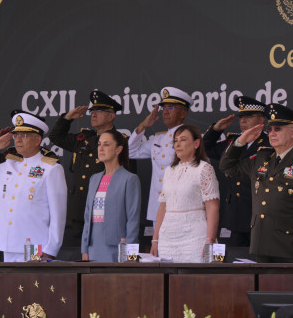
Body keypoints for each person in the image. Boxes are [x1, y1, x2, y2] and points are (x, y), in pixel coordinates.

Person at [220, 104, 293, 263]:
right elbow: (227, 167)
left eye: (278, 129)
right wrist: (240, 142)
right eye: (269, 130)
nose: (272, 133)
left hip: (290, 247)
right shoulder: (261, 157)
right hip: (261, 243)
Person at [0, 111, 67, 262]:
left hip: (35, 245)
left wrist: (51, 249)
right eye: (16, 135)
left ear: (37, 140)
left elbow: (58, 215)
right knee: (10, 278)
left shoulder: (51, 169)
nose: (18, 140)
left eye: (24, 135)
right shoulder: (9, 165)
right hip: (8, 243)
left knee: (31, 278)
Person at [49, 90, 122, 246]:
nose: (93, 114)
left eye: (99, 111)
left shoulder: (120, 142)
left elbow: (125, 178)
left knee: (102, 254)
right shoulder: (84, 139)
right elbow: (55, 137)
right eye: (92, 111)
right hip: (80, 210)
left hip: (104, 211)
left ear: (111, 116)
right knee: (80, 255)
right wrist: (67, 118)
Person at [203, 95, 269, 246]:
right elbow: (205, 149)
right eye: (241, 117)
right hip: (235, 215)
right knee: (235, 257)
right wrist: (215, 130)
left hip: (259, 214)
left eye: (249, 117)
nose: (243, 121)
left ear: (261, 120)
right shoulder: (232, 142)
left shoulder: (269, 143)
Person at [150, 125, 219, 262]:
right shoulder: (169, 170)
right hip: (167, 238)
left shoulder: (204, 169)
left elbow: (213, 206)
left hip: (195, 237)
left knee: (194, 275)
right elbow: (163, 206)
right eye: (175, 141)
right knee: (167, 275)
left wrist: (210, 240)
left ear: (196, 143)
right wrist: (155, 239)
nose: (177, 144)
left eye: (183, 139)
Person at [129, 87, 191, 223]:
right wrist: (143, 125)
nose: (165, 112)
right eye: (164, 108)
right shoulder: (158, 139)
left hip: (181, 208)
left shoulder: (190, 139)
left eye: (171, 108)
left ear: (183, 113)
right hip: (157, 208)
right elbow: (130, 152)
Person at [81, 129, 141, 262]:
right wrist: (84, 249)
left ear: (118, 149)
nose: (101, 148)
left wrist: (131, 255)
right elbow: (87, 216)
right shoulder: (94, 179)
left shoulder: (130, 179)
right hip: (93, 247)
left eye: (106, 144)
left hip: (118, 249)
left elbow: (133, 219)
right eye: (99, 144)